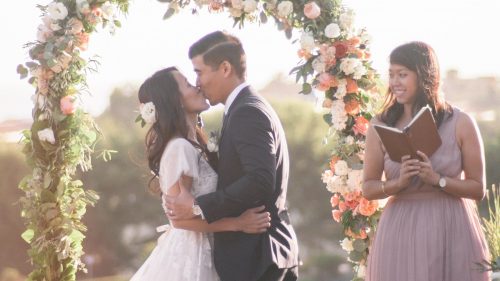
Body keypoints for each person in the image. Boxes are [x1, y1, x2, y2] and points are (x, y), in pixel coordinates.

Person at [165, 31, 300, 281]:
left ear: (225, 68)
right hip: (254, 257)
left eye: (199, 71)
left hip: (258, 258)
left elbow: (260, 179)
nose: (197, 82)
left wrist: (198, 206)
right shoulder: (242, 108)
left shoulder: (247, 112)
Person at [362, 41, 490, 281]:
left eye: (402, 74)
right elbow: (368, 187)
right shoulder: (379, 125)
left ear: (423, 76)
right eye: (391, 75)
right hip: (399, 228)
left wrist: (438, 180)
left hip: (450, 226)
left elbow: (477, 189)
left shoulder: (460, 122)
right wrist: (396, 184)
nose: (395, 82)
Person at [130, 67, 272, 281]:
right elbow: (180, 220)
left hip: (209, 245)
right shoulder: (179, 148)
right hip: (192, 253)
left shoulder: (194, 144)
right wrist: (239, 224)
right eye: (187, 84)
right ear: (175, 100)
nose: (197, 86)